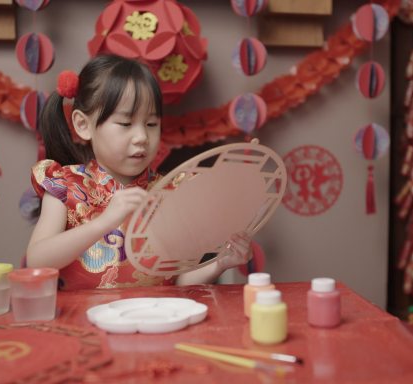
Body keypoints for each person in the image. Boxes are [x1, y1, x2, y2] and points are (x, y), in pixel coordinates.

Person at [27, 55, 252, 290]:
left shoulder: (168, 192)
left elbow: (176, 281)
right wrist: (104, 222)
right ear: (83, 125)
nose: (142, 138)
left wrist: (219, 264)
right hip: (82, 323)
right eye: (125, 124)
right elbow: (37, 261)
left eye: (151, 124)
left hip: (154, 319)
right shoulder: (66, 186)